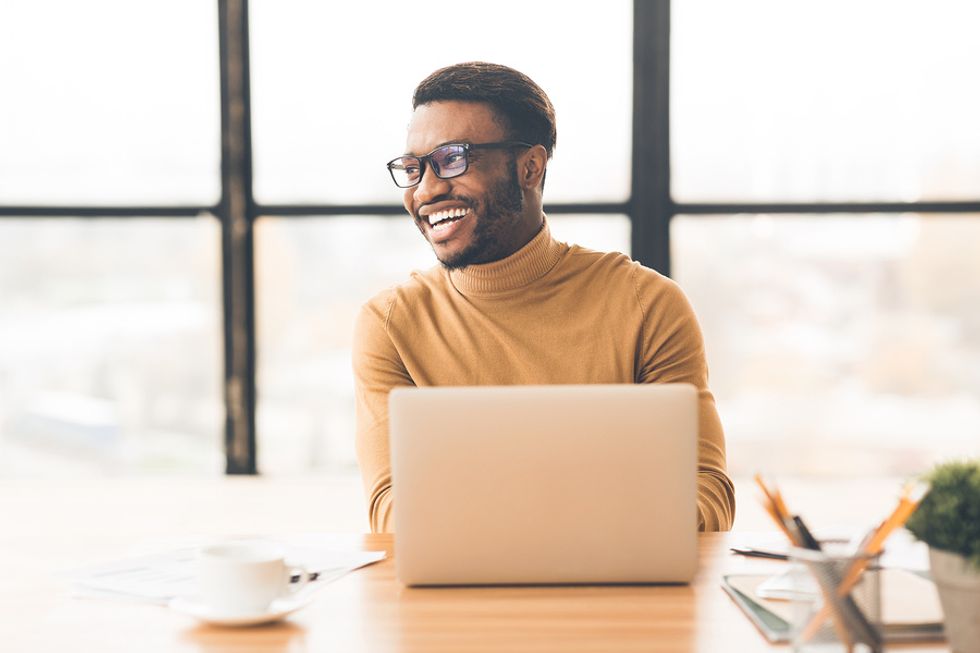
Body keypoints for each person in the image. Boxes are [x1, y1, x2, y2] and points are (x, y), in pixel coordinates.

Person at [354, 61, 735, 533]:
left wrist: (538, 532)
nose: (426, 190)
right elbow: (390, 511)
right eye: (414, 168)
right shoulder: (392, 324)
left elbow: (707, 495)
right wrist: (587, 523)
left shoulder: (647, 305)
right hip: (459, 599)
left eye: (452, 159)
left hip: (619, 592)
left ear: (529, 167)